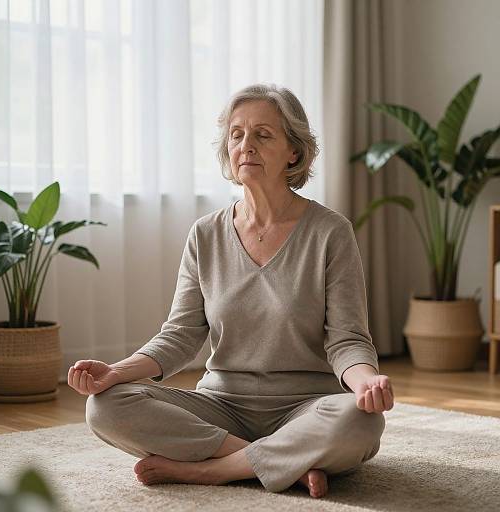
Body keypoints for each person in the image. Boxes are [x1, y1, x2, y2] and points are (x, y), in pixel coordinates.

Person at [68, 83, 395, 499]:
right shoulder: (205, 234)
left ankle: (213, 470)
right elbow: (180, 334)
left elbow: (347, 338)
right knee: (105, 406)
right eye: (237, 134)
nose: (246, 145)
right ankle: (278, 463)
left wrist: (367, 382)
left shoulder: (331, 232)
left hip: (306, 408)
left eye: (263, 134)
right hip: (221, 408)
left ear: (293, 151)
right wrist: (116, 372)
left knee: (361, 420)